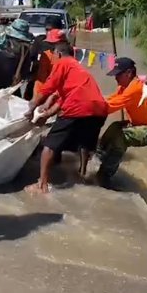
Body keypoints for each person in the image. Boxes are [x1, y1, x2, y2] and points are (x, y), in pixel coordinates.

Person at [25, 43, 108, 194]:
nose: (53, 60)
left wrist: (31, 108)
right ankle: (83, 175)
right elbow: (64, 98)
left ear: (59, 54)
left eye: (53, 56)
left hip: (79, 106)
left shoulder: (63, 63)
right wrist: (48, 113)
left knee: (49, 145)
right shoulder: (80, 69)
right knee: (85, 143)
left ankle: (42, 185)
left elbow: (48, 87)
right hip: (100, 110)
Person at [93, 57, 147, 187]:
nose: (115, 78)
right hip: (142, 124)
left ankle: (104, 176)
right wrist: (91, 98)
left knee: (122, 137)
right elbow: (110, 99)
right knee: (115, 127)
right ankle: (100, 154)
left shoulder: (135, 88)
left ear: (129, 73)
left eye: (118, 74)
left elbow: (109, 107)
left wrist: (89, 106)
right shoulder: (124, 87)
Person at [0, 18, 36, 94]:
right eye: (18, 40)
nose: (20, 43)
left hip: (12, 85)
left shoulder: (25, 49)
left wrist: (24, 77)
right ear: (10, 37)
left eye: (23, 40)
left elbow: (26, 66)